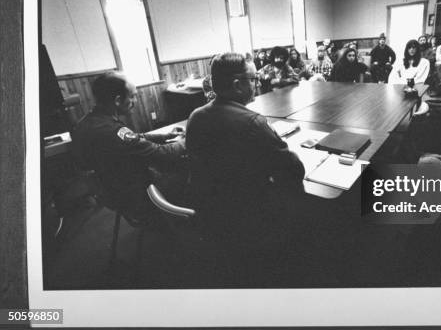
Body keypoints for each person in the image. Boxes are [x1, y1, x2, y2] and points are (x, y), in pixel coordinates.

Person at [185, 53, 305, 283]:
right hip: (249, 220)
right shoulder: (252, 122)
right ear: (237, 84)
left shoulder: (195, 117)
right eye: (253, 78)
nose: (258, 83)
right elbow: (292, 170)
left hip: (211, 215)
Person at [71, 72, 186, 221]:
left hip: (111, 193)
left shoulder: (85, 124)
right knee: (189, 173)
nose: (135, 100)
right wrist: (186, 141)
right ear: (118, 100)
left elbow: (131, 140)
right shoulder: (113, 131)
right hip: (137, 196)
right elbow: (163, 153)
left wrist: (164, 136)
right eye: (132, 96)